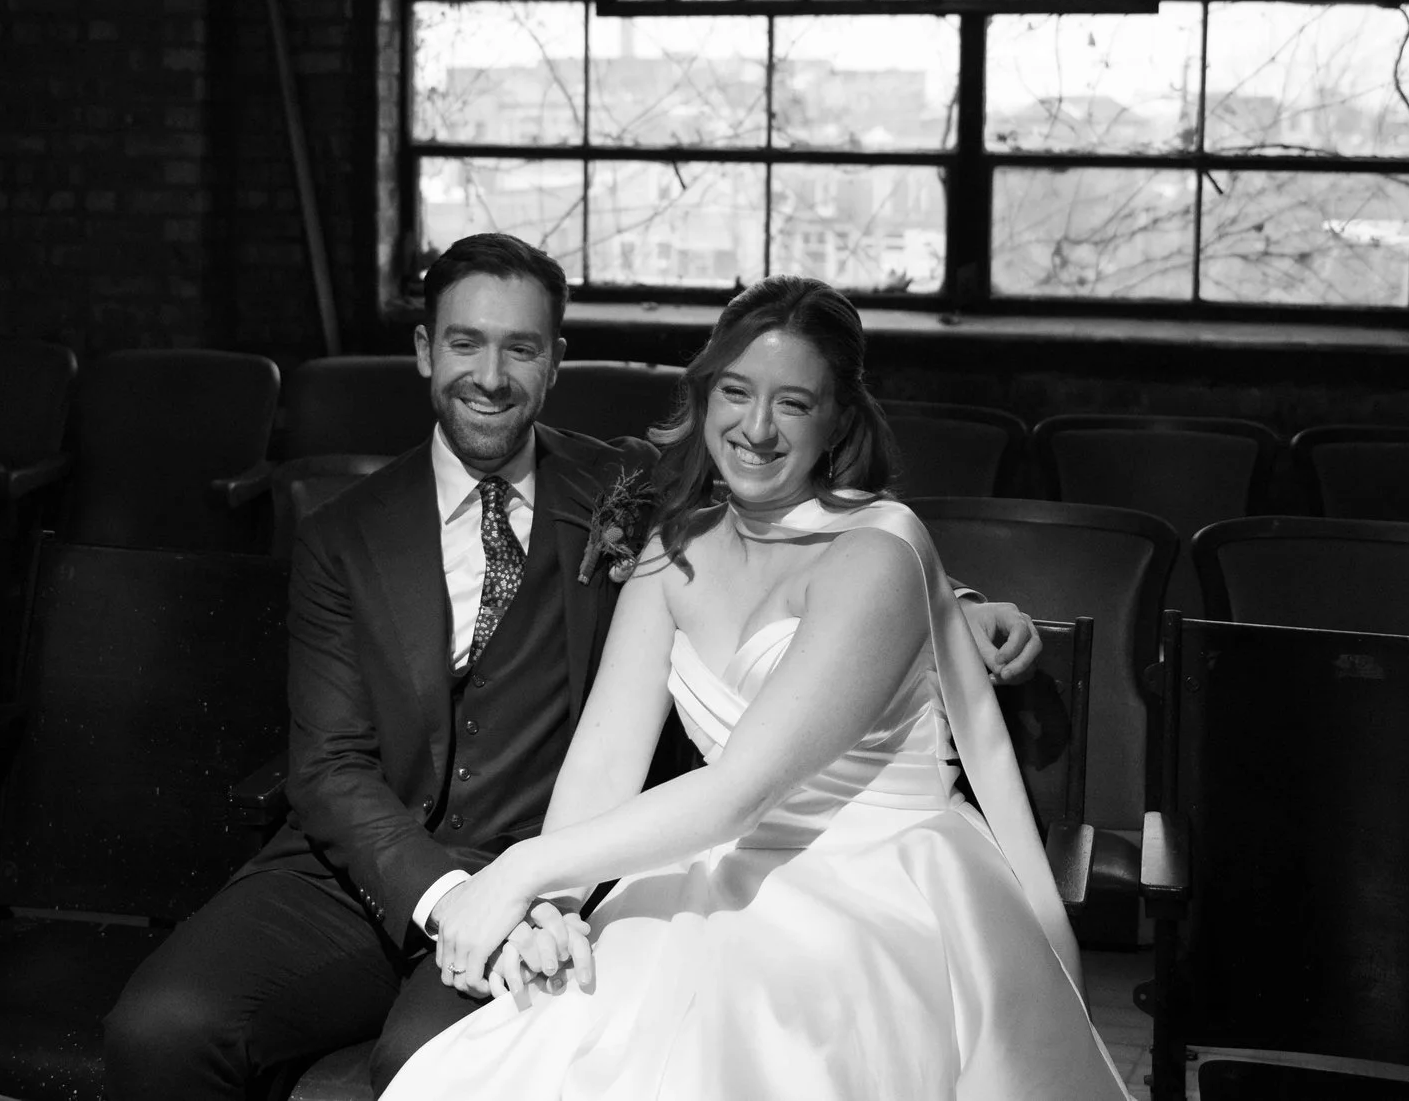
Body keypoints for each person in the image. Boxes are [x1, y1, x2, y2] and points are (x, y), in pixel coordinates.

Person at [103, 237, 1045, 1099]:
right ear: (426, 352)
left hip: (551, 864)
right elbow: (329, 768)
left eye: (521, 348)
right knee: (162, 1028)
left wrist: (950, 607)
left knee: (439, 1064)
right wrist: (448, 894)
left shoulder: (629, 494)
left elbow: (820, 540)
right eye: (467, 344)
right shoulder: (342, 531)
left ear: (556, 364)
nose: (491, 375)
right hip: (361, 873)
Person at [379, 274, 1130, 1101]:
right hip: (709, 864)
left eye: (794, 403)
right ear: (704, 396)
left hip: (873, 880)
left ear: (839, 417)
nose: (757, 428)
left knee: (744, 1044)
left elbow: (739, 791)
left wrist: (516, 870)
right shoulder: (674, 550)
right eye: (735, 392)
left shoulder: (879, 551)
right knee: (556, 1034)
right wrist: (552, 904)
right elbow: (601, 760)